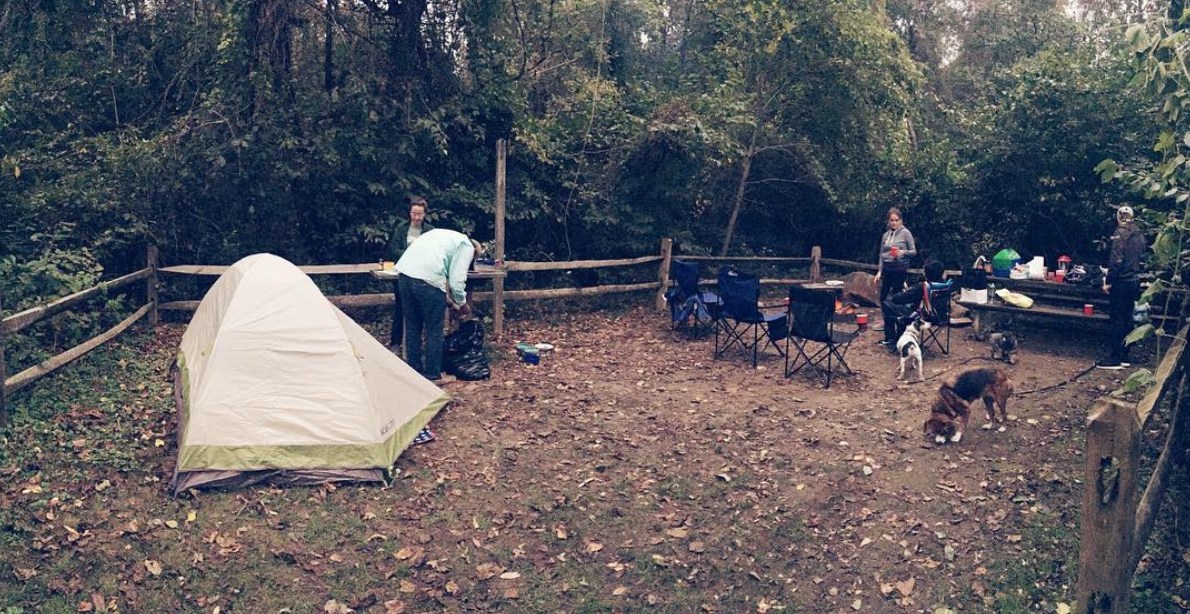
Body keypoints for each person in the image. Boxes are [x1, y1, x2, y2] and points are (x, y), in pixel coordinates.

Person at [396, 228, 481, 383]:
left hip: (404, 276)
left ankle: (414, 370)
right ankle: (433, 374)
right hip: (427, 280)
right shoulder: (467, 247)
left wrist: (449, 302)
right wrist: (462, 304)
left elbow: (431, 282)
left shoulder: (441, 235)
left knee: (413, 326)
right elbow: (456, 282)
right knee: (434, 329)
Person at [1097, 205, 1146, 370]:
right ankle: (1125, 355)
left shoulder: (1120, 233)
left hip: (1121, 281)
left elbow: (1116, 259)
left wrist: (1109, 280)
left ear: (1118, 218)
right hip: (1134, 280)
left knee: (1117, 319)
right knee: (1127, 318)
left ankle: (1115, 358)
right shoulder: (1139, 234)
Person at [385, 196, 435, 349]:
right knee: (401, 307)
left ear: (424, 214)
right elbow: (393, 249)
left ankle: (420, 344)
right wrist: (410, 254)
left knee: (423, 310)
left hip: (423, 275)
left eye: (420, 214)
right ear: (410, 213)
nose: (417, 217)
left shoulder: (430, 231)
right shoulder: (401, 228)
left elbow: (434, 251)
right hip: (403, 272)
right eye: (414, 213)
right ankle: (396, 341)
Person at [882, 259, 949, 352]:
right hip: (941, 317)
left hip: (923, 318)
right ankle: (900, 333)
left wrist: (905, 291)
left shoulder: (923, 286)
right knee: (907, 307)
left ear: (926, 273)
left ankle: (891, 339)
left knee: (888, 303)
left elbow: (897, 298)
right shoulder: (945, 285)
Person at [874, 207, 917, 347]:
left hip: (899, 269)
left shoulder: (905, 233)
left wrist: (902, 252)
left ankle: (900, 334)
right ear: (888, 221)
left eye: (896, 220)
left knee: (897, 301)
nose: (894, 223)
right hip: (887, 270)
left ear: (901, 220)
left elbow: (914, 252)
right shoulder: (886, 235)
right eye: (891, 220)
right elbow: (881, 254)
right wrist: (879, 271)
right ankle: (889, 335)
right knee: (883, 299)